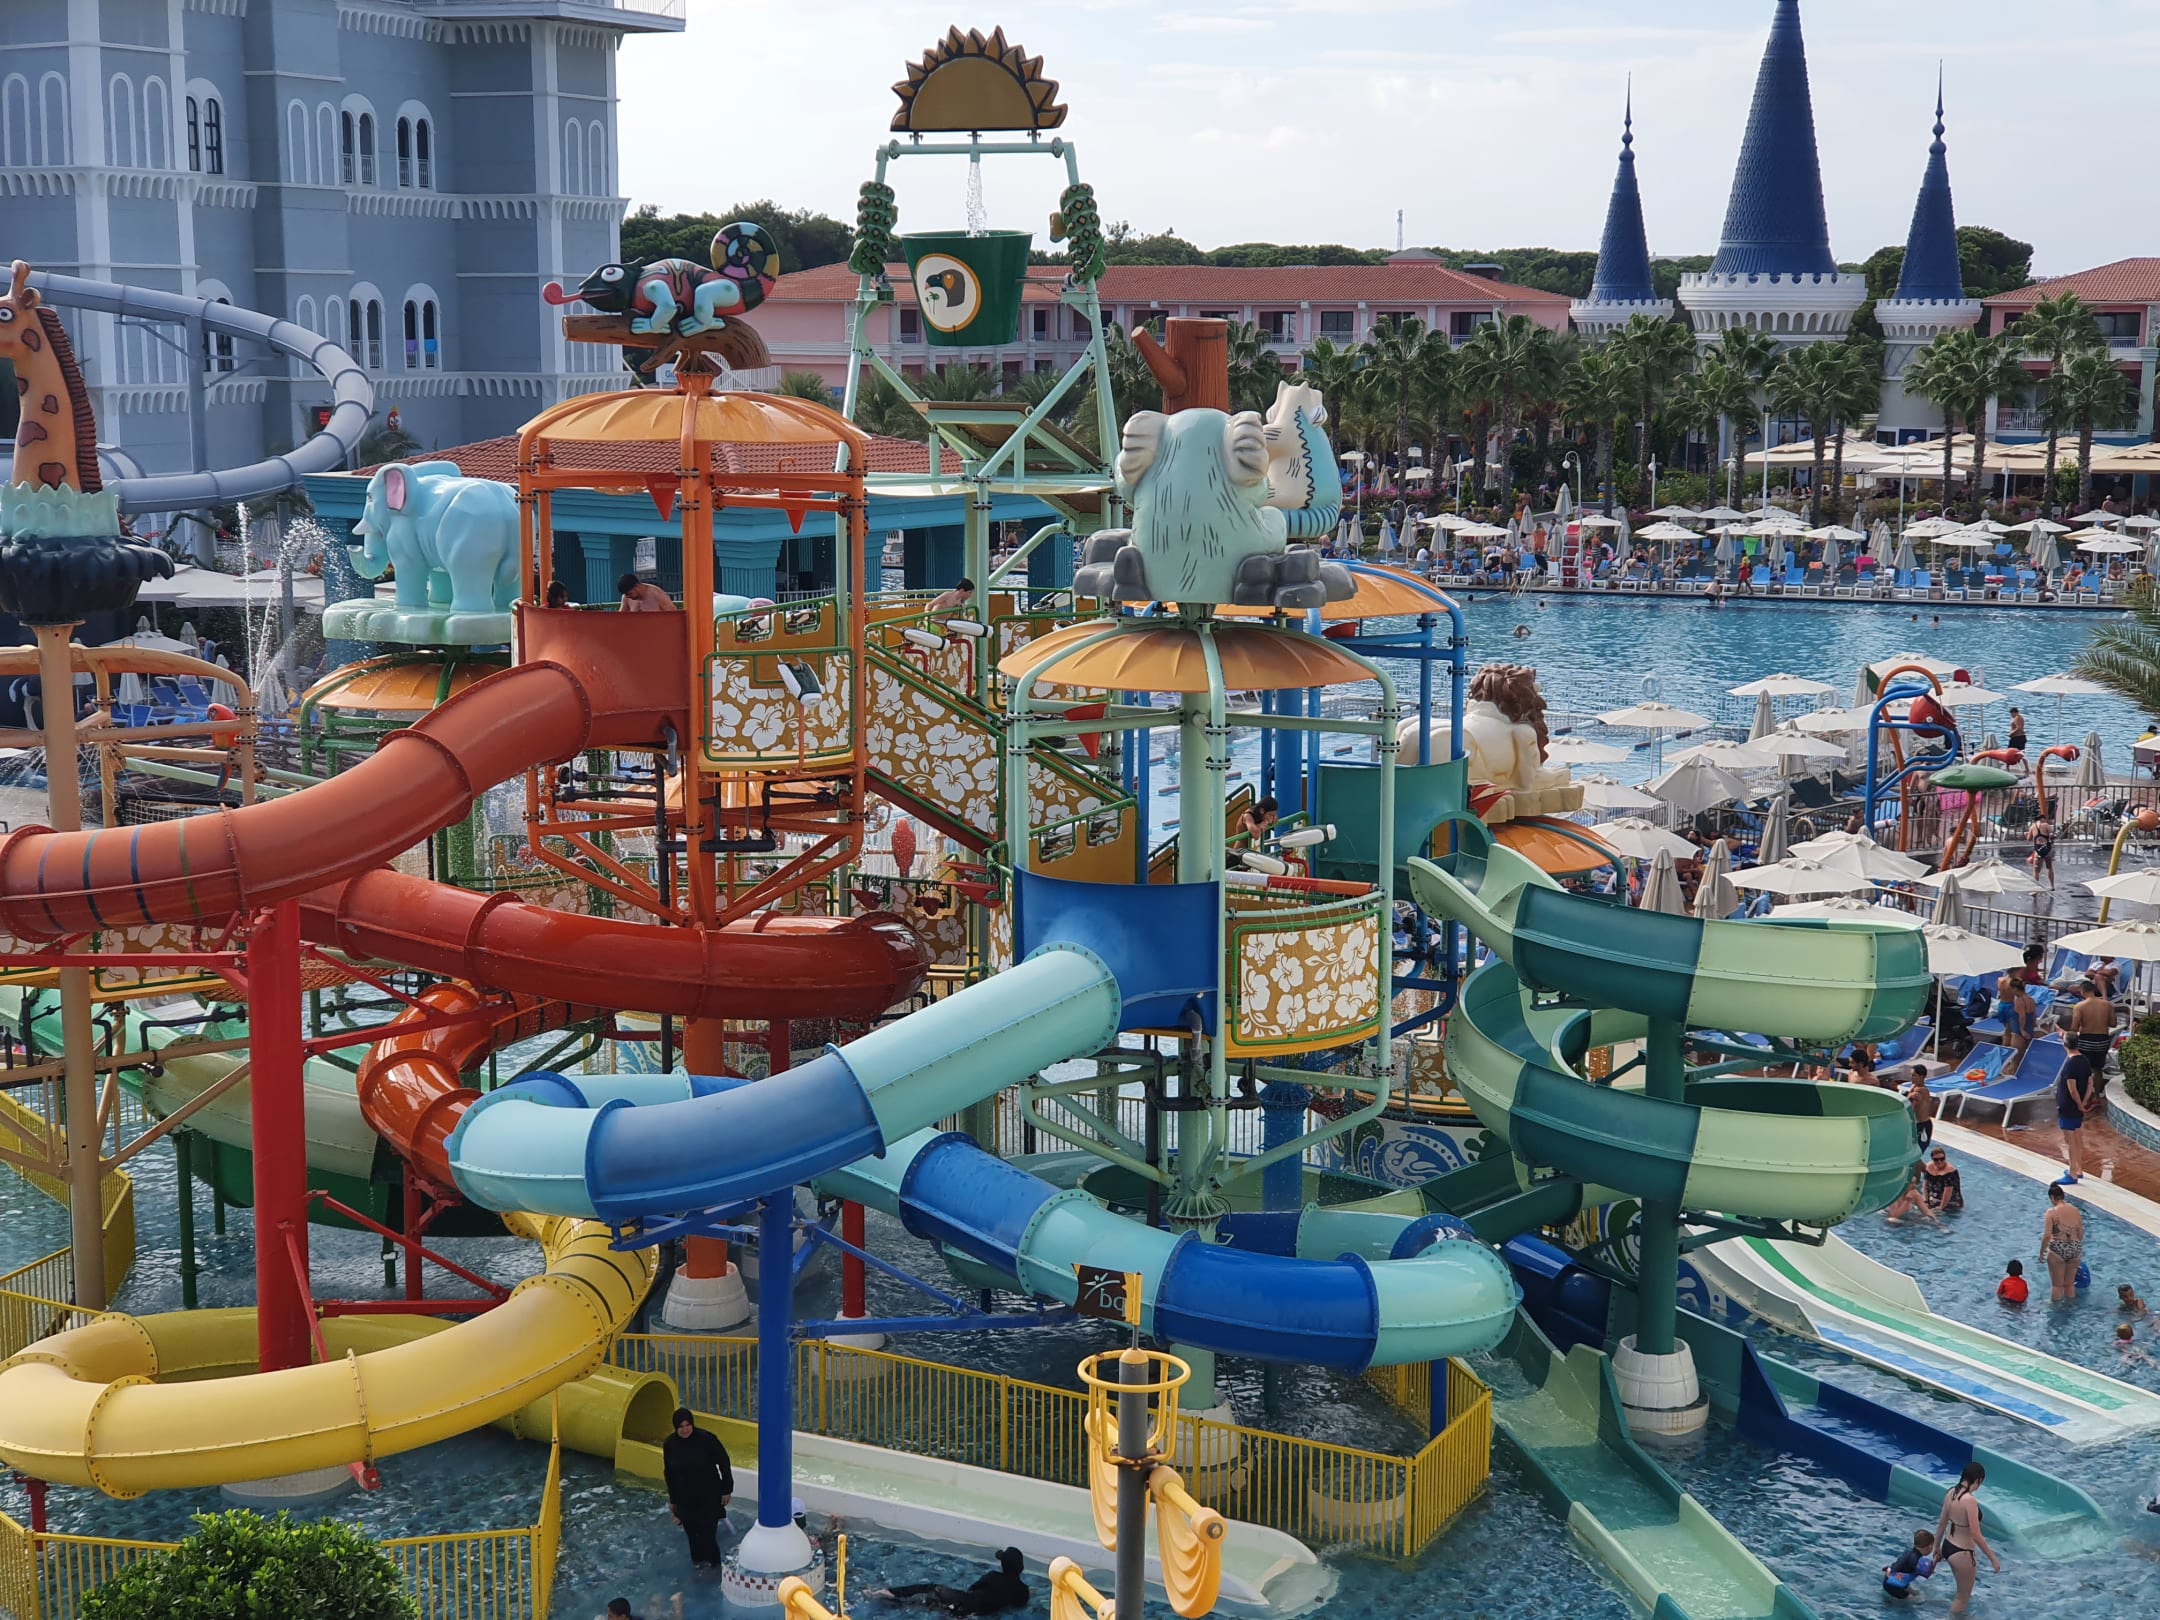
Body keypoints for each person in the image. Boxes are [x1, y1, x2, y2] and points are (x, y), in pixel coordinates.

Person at [661, 1407, 734, 1568]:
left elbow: (724, 1462)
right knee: (693, 1536)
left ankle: (715, 1568)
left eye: (688, 1425)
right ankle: (699, 1567)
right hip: (685, 1499)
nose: (685, 1429)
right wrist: (673, 1499)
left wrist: (726, 1489)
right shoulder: (670, 1444)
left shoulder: (707, 1440)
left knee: (708, 1535)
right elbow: (669, 1473)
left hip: (708, 1495)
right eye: (681, 1426)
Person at [872, 1547, 1029, 1614]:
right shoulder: (1023, 1592)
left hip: (961, 1600)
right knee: (928, 1606)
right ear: (1021, 1567)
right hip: (974, 1613)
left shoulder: (993, 1576)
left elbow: (972, 1589)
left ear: (1002, 1565)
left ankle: (889, 1593)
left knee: (931, 1589)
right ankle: (892, 1603)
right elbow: (1017, 1605)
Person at [1933, 1464, 2000, 1616]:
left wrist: (1937, 1547)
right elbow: (1975, 1534)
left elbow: (1942, 1522)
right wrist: (1993, 1558)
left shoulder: (1951, 1493)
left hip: (1948, 1546)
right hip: (1962, 1552)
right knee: (1962, 1598)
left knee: (1959, 1594)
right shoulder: (1970, 1501)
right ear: (1978, 1480)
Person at [2055, 1049, 2101, 1184]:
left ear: (2065, 1045)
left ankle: (2072, 1173)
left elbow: (2072, 1088)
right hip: (2077, 1107)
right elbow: (2090, 1083)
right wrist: (2084, 1101)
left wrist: (2079, 1104)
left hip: (2068, 1106)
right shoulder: (2084, 1060)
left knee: (2070, 1140)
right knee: (2077, 1136)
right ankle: (2078, 1169)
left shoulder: (2070, 1064)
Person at [2041, 1183, 2084, 1304]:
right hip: (2075, 1247)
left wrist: (2041, 1252)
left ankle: (2055, 1310)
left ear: (2052, 1197)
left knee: (2057, 1285)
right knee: (2069, 1284)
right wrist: (2074, 1246)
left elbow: (2047, 1236)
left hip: (2058, 1248)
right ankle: (2070, 1307)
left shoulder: (2051, 1212)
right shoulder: (2075, 1211)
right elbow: (2080, 1233)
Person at [1882, 1529, 1937, 1600]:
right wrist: (1936, 1560)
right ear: (1930, 1547)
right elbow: (1927, 1574)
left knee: (1916, 1593)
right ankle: (1890, 1601)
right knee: (1917, 1600)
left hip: (1890, 1579)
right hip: (1894, 1586)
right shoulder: (1914, 1559)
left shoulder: (1910, 1552)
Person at [1922, 1145, 1964, 1214]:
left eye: (1942, 1159)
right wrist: (1926, 1201)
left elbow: (1948, 1191)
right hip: (1934, 1198)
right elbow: (1925, 1185)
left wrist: (1941, 1207)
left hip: (1950, 1201)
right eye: (1936, 1159)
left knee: (1931, 1215)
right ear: (1932, 1159)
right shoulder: (1929, 1167)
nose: (1939, 1161)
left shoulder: (1950, 1171)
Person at [1908, 1067, 1937, 1147]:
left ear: (1921, 1077)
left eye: (1914, 1075)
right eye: (1911, 1075)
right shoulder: (1914, 1087)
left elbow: (1907, 1105)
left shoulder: (1921, 1090)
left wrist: (1909, 1097)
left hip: (1923, 1126)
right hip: (1917, 1124)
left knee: (1918, 1151)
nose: (1911, 1077)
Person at [2026, 815, 2056, 887]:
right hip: (2047, 849)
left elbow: (2029, 839)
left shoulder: (2032, 827)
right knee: (2049, 867)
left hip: (2038, 850)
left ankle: (2036, 887)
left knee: (2036, 870)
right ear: (2042, 819)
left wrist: (2026, 834)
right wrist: (2052, 838)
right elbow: (2052, 835)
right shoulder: (2046, 825)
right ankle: (2052, 886)